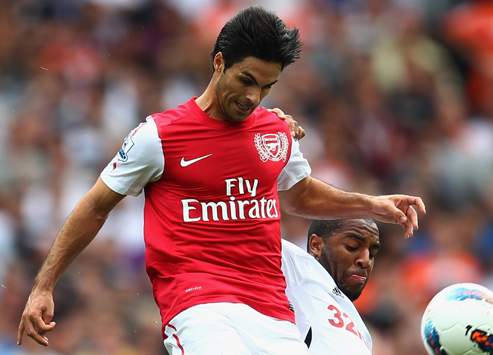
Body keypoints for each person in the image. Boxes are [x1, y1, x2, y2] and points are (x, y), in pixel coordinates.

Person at [17, 6, 425, 354]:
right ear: (219, 62)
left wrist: (372, 204)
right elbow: (94, 207)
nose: (253, 97)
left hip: (272, 311)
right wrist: (43, 286)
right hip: (199, 305)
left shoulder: (276, 132)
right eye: (246, 80)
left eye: (267, 87)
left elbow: (299, 195)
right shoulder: (159, 136)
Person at [282, 219, 380, 355]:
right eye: (352, 246)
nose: (365, 260)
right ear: (316, 245)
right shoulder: (296, 268)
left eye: (372, 253)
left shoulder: (362, 332)